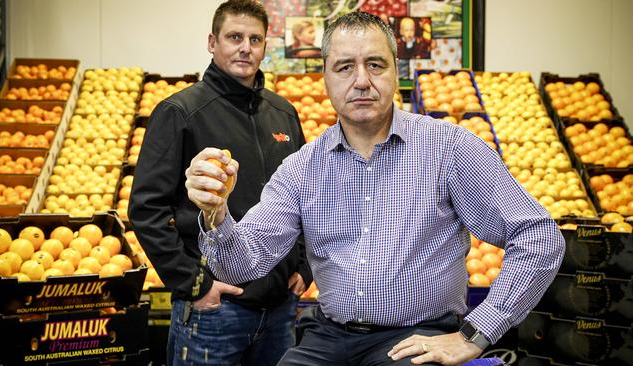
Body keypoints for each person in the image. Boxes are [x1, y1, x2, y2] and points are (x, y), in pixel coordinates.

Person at [185, 11, 565, 366]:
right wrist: (216, 214)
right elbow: (240, 265)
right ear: (326, 77)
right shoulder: (302, 167)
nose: (361, 80)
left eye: (375, 65)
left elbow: (539, 237)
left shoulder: (449, 149)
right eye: (345, 67)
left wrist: (475, 334)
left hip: (417, 337)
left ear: (394, 71)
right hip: (328, 338)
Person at [128, 1, 312, 365]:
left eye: (254, 39)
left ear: (264, 46)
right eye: (234, 37)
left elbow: (306, 195)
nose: (245, 47)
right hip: (214, 312)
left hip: (278, 312)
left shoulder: (284, 114)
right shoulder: (179, 112)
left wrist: (303, 265)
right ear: (213, 42)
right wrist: (194, 285)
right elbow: (146, 210)